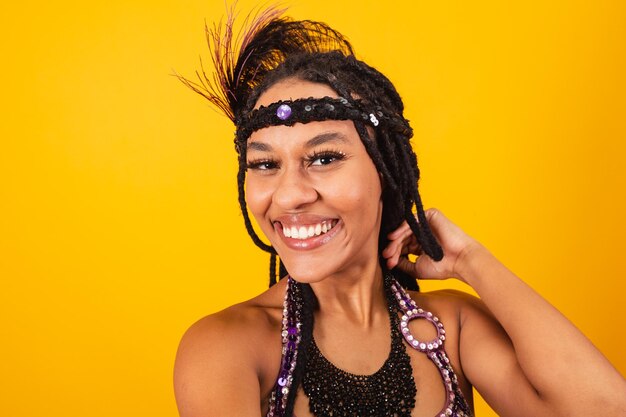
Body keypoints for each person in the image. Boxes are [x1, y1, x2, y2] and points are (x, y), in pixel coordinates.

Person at [173, 7, 626, 417]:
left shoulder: (453, 328)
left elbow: (604, 407)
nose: (289, 195)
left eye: (325, 157)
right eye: (265, 164)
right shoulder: (227, 347)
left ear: (386, 171)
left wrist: (471, 261)